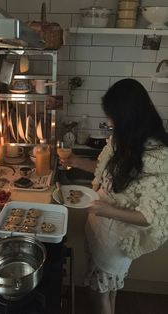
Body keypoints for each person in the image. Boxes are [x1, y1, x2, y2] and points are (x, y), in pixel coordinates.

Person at [60, 78, 168, 314]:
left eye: (113, 117)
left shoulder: (158, 156)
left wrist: (105, 210)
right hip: (98, 226)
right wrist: (76, 162)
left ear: (129, 117)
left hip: (116, 238)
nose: (109, 122)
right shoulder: (126, 139)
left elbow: (150, 216)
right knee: (107, 290)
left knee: (100, 293)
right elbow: (107, 171)